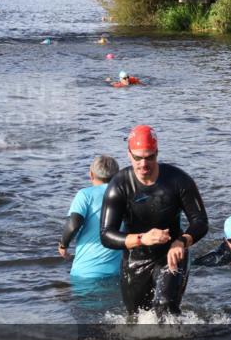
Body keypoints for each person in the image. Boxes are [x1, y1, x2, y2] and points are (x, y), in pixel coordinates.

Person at [100, 125, 208, 317]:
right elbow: (106, 235)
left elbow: (200, 221)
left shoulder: (178, 180)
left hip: (171, 254)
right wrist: (141, 239)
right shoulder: (119, 185)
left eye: (149, 157)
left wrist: (181, 241)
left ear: (157, 153)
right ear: (129, 154)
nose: (143, 164)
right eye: (138, 157)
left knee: (165, 307)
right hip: (135, 258)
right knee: (136, 316)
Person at [58, 156, 122, 279]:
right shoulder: (126, 194)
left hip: (86, 273)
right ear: (117, 175)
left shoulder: (85, 195)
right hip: (117, 273)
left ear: (91, 174)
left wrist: (63, 245)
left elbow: (73, 224)